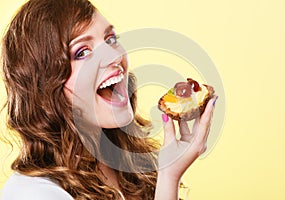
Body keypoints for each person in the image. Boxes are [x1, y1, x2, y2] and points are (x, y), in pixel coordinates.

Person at [0, 0, 218, 199]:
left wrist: (167, 174)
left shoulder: (131, 167)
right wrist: (169, 178)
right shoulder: (31, 193)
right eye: (82, 52)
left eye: (110, 39)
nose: (114, 56)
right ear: (44, 86)